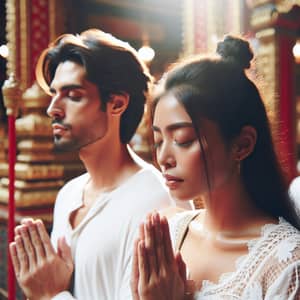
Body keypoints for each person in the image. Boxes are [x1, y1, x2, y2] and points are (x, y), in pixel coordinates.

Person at [9, 29, 177, 300]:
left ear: (116, 104)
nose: (53, 108)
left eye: (73, 95)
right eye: (54, 94)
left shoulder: (156, 202)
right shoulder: (69, 194)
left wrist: (50, 295)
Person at [131, 35, 300, 299]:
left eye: (182, 140)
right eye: (158, 140)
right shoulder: (168, 237)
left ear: (242, 145)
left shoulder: (286, 264)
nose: (164, 157)